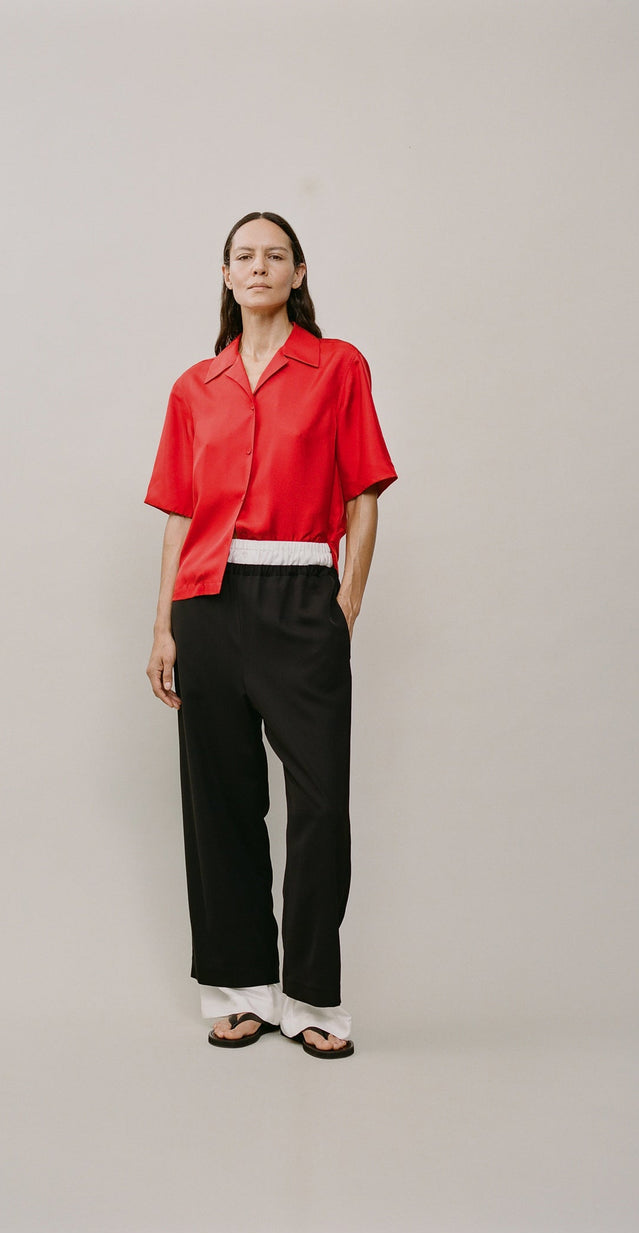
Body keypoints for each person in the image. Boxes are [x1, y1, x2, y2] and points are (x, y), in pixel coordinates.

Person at [144, 211, 396, 1059]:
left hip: (300, 597)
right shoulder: (195, 387)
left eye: (275, 255)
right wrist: (164, 628)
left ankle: (313, 996)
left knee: (320, 804)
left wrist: (344, 603)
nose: (259, 266)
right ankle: (240, 989)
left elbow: (363, 494)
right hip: (207, 605)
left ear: (298, 273)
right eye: (244, 256)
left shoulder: (337, 367)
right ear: (226, 274)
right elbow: (180, 517)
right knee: (221, 804)